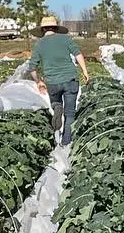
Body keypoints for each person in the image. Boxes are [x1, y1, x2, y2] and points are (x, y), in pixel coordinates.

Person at [28, 16, 89, 146]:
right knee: (70, 113)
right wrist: (85, 71)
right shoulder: (65, 39)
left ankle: (57, 108)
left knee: (56, 102)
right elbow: (78, 54)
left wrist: (38, 81)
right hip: (70, 79)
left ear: (43, 29)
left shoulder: (39, 44)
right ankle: (66, 142)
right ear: (56, 28)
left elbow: (32, 67)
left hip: (52, 81)